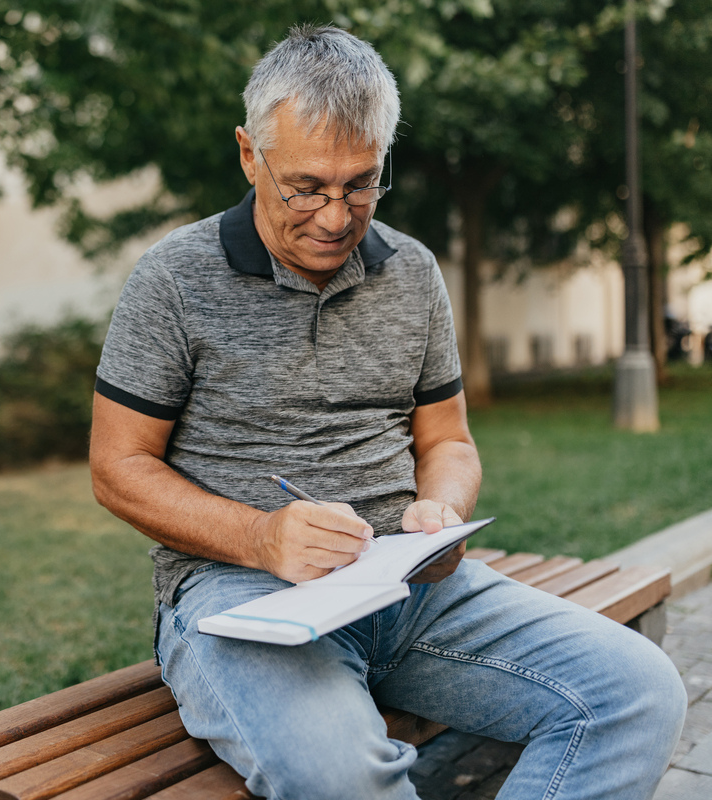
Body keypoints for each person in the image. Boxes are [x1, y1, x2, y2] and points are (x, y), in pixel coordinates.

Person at [89, 24, 686, 800]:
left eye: (361, 182)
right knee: (341, 777)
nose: (336, 216)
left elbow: (448, 439)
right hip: (241, 600)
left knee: (638, 693)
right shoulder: (173, 278)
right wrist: (259, 536)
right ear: (248, 154)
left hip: (406, 588)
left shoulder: (412, 273)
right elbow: (116, 468)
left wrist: (442, 508)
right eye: (305, 186)